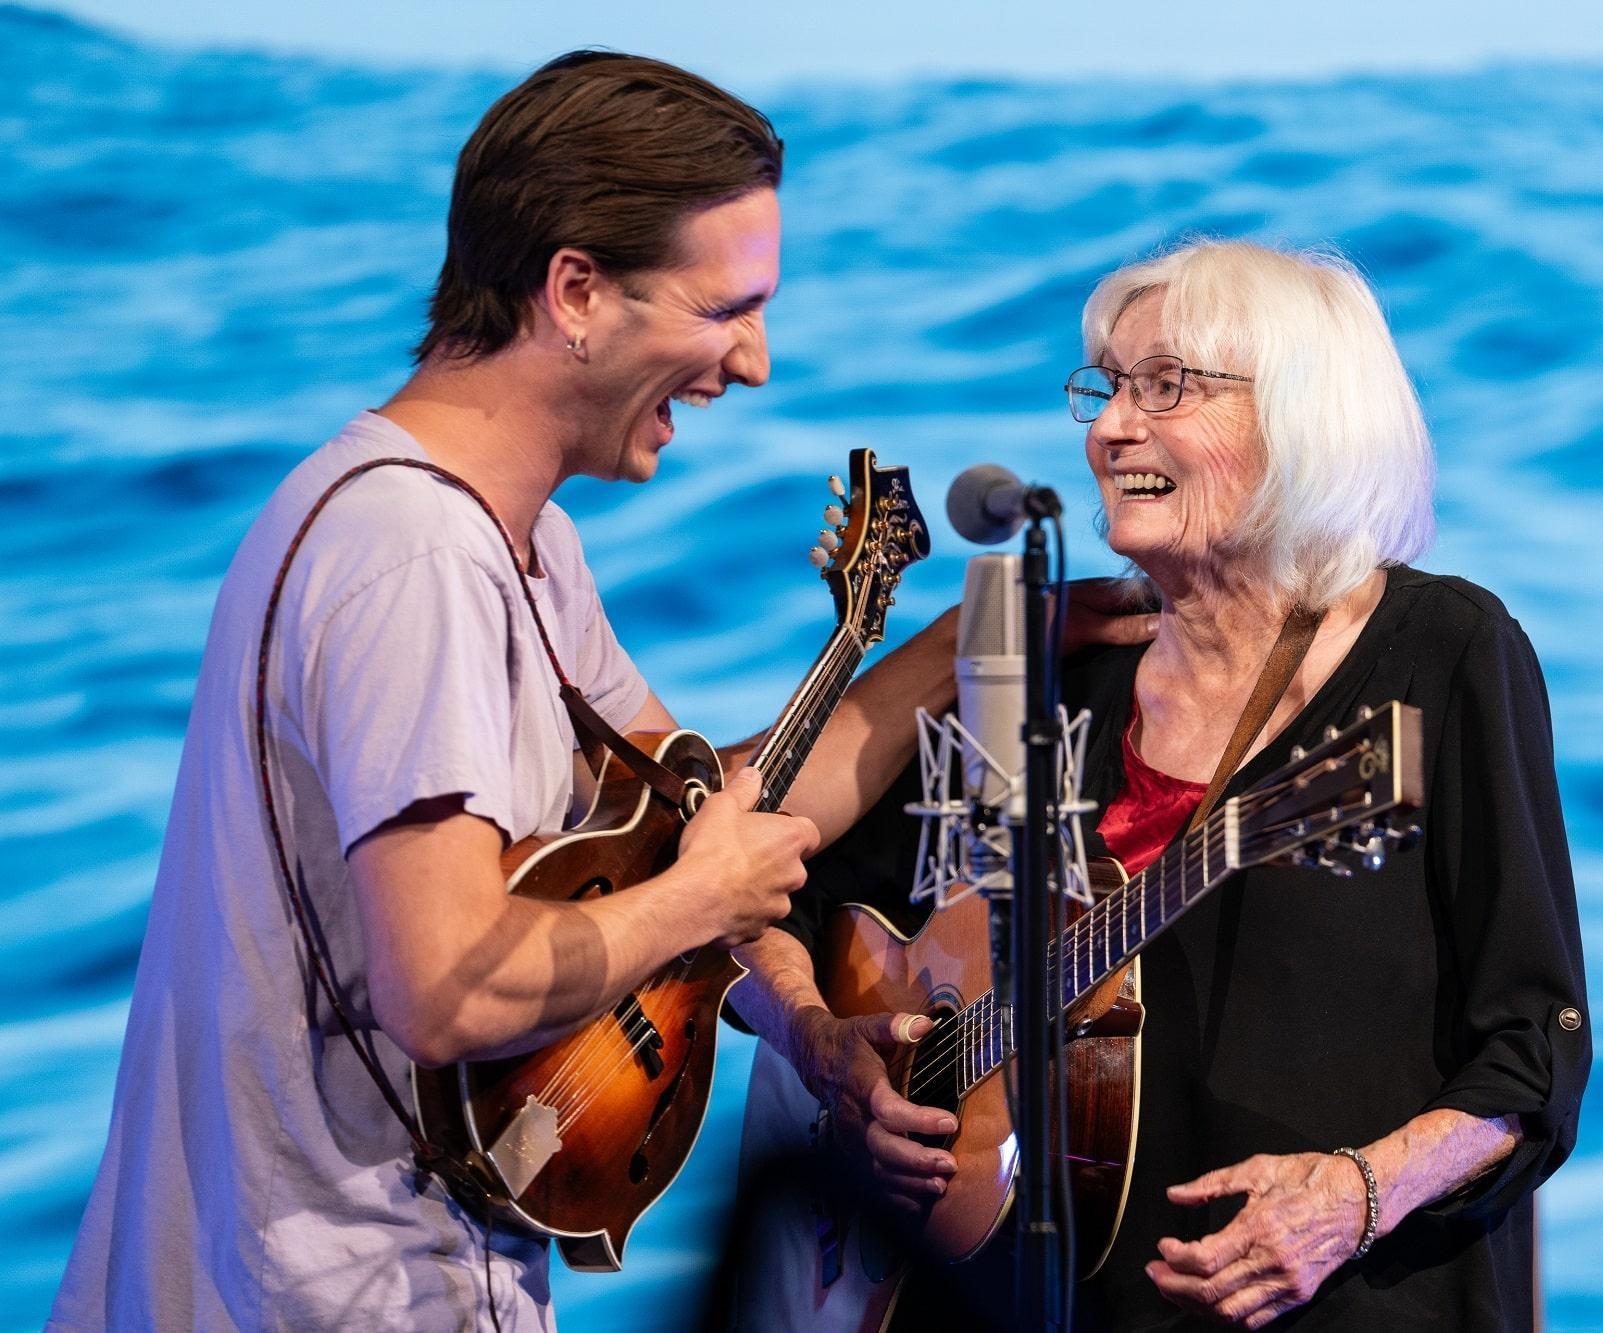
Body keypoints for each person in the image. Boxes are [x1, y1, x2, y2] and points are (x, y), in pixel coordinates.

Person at [49, 51, 961, 1332]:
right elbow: (449, 988)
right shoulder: (413, 558)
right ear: (576, 291)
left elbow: (704, 811)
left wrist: (808, 1020)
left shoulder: (510, 543)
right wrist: (699, 896)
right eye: (724, 309)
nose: (752, 363)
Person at [734, 239, 1590, 1330]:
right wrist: (821, 1045)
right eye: (1103, 386)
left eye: (1164, 386)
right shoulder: (1060, 676)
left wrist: (1354, 1196)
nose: (1106, 427)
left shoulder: (1440, 650)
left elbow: (1528, 1051)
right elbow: (760, 879)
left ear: (1300, 415)